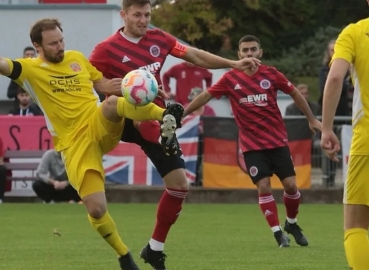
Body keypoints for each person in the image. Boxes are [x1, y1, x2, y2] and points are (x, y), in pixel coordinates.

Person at [0, 18, 184, 270]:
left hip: (98, 123)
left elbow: (105, 85)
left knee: (109, 103)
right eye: (53, 43)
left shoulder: (76, 58)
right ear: (37, 45)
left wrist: (144, 88)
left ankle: (165, 115)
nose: (60, 46)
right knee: (97, 210)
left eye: (61, 40)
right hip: (74, 145)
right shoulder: (28, 69)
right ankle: (124, 255)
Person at [89, 0, 260, 268]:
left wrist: (233, 64)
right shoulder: (105, 49)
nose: (143, 20)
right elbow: (84, 76)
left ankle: (154, 249)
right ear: (123, 15)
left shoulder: (159, 39)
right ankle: (159, 130)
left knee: (179, 185)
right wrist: (101, 83)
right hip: (121, 118)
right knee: (131, 110)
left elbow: (195, 55)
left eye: (147, 15)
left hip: (157, 116)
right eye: (137, 15)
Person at [184, 35, 322, 248]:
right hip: (251, 145)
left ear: (260, 53)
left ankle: (291, 223)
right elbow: (205, 96)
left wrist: (311, 118)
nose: (249, 54)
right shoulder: (230, 79)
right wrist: (183, 113)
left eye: (253, 50)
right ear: (239, 55)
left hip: (277, 141)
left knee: (291, 186)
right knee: (264, 186)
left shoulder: (271, 74)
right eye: (245, 50)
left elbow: (294, 92)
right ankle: (277, 233)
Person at [320, 5, 369, 269]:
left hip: (367, 143)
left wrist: (326, 129)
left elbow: (336, 77)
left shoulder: (355, 32)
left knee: (356, 226)